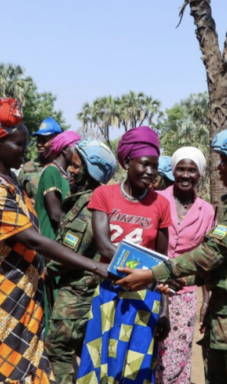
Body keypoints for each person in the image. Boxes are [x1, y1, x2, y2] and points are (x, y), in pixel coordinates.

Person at [0, 94, 108, 384]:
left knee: (23, 366)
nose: (26, 150)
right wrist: (96, 266)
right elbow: (32, 240)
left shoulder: (11, 181)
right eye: (19, 144)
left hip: (19, 292)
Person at [116, 126, 227, 384]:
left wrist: (151, 274)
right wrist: (183, 281)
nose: (219, 168)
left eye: (224, 162)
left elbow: (212, 252)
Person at [76, 126, 171, 384]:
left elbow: (163, 264)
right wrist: (142, 271)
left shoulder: (161, 204)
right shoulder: (104, 194)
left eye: (155, 165)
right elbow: (105, 246)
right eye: (144, 164)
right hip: (108, 290)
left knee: (135, 367)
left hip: (144, 297)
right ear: (127, 162)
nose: (151, 172)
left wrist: (164, 310)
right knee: (99, 362)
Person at [45, 139, 117, 384]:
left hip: (76, 293)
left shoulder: (88, 205)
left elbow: (69, 251)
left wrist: (43, 270)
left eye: (76, 167)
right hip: (83, 289)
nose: (70, 172)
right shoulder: (89, 199)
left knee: (58, 348)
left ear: (91, 171)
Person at [155, 147, 214, 384]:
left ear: (199, 174)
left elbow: (209, 259)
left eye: (192, 170)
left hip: (183, 294)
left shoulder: (207, 211)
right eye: (181, 169)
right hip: (152, 288)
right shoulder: (158, 200)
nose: (186, 175)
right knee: (148, 354)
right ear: (173, 170)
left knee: (175, 359)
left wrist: (207, 300)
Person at [34, 130, 81, 240]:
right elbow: (55, 215)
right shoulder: (51, 171)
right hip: (48, 240)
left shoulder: (64, 175)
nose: (79, 154)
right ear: (65, 150)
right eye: (76, 149)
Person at [18, 117, 63, 200]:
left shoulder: (66, 169)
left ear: (57, 140)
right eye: (38, 140)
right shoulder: (27, 168)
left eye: (44, 140)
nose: (39, 144)